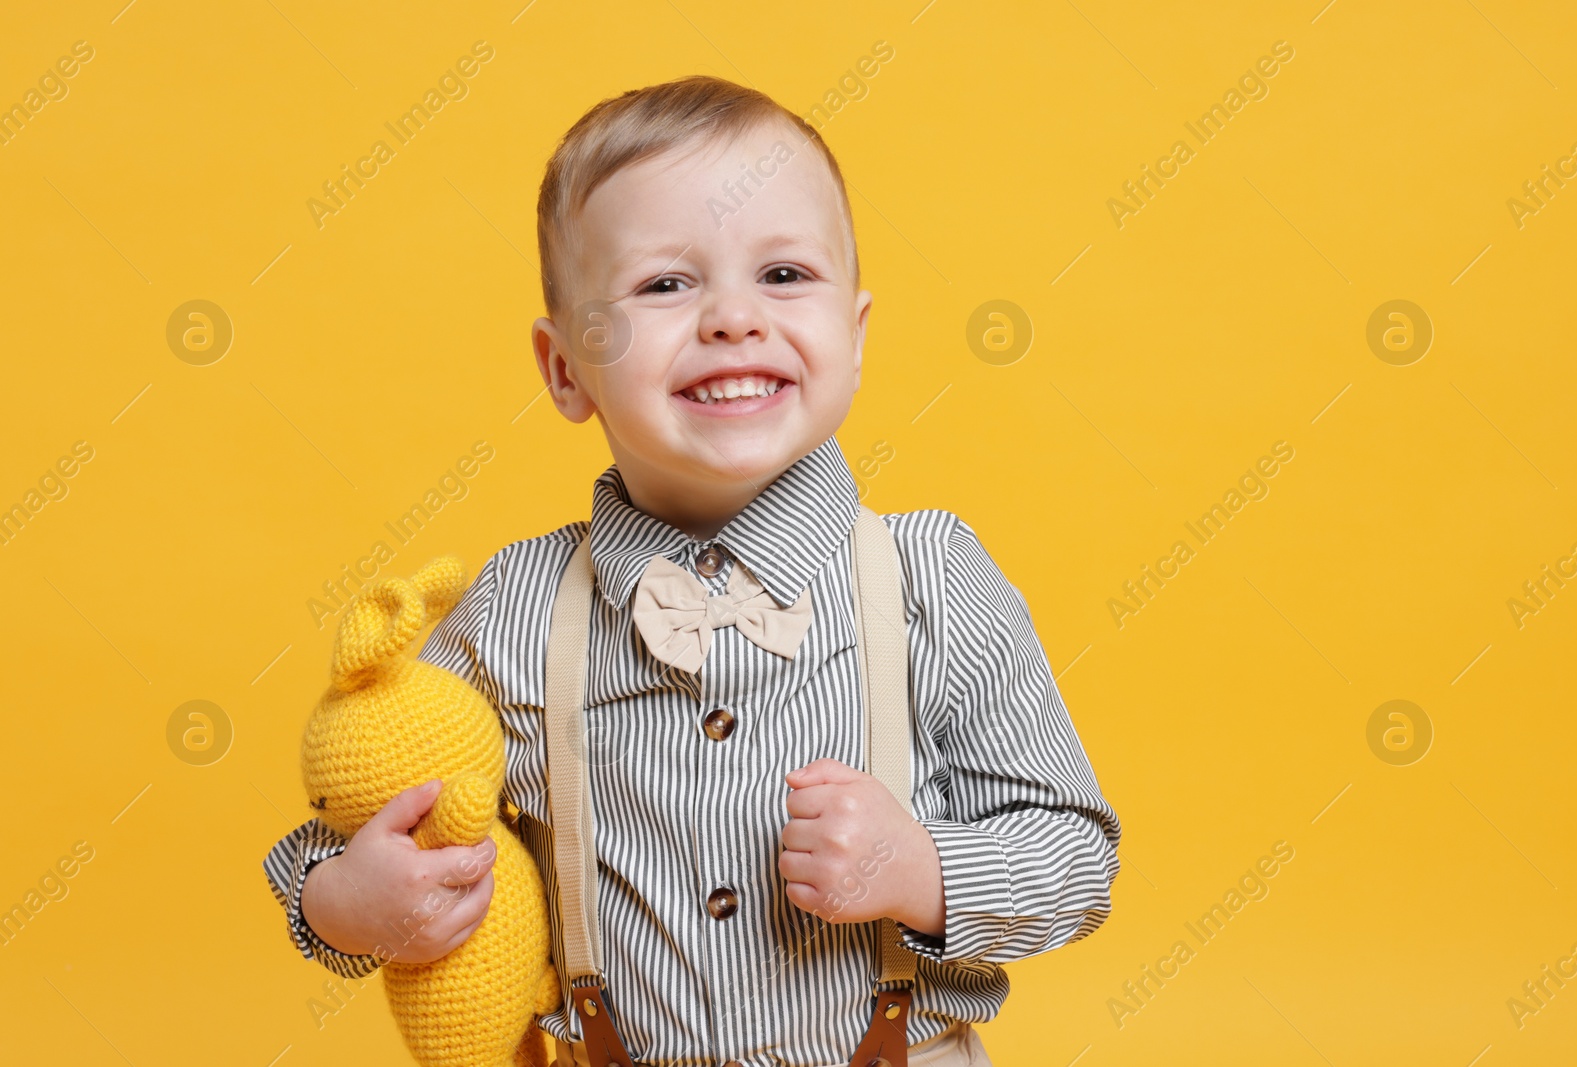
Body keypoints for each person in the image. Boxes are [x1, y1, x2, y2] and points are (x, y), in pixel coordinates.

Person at [262, 73, 1122, 1066]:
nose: (731, 318)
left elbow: (1074, 857)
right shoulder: (514, 611)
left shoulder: (931, 578)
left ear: (855, 332)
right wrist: (347, 905)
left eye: (786, 275)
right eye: (665, 283)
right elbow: (346, 831)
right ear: (564, 369)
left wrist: (923, 867)